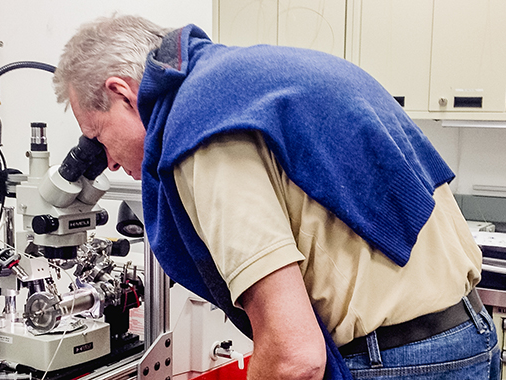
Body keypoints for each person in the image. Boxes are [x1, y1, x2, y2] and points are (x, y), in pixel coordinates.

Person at [53, 14, 500, 380]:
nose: (108, 162)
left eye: (98, 135)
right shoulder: (250, 80)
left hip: (405, 362)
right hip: (469, 338)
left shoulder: (200, 128)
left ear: (121, 92)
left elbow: (294, 356)